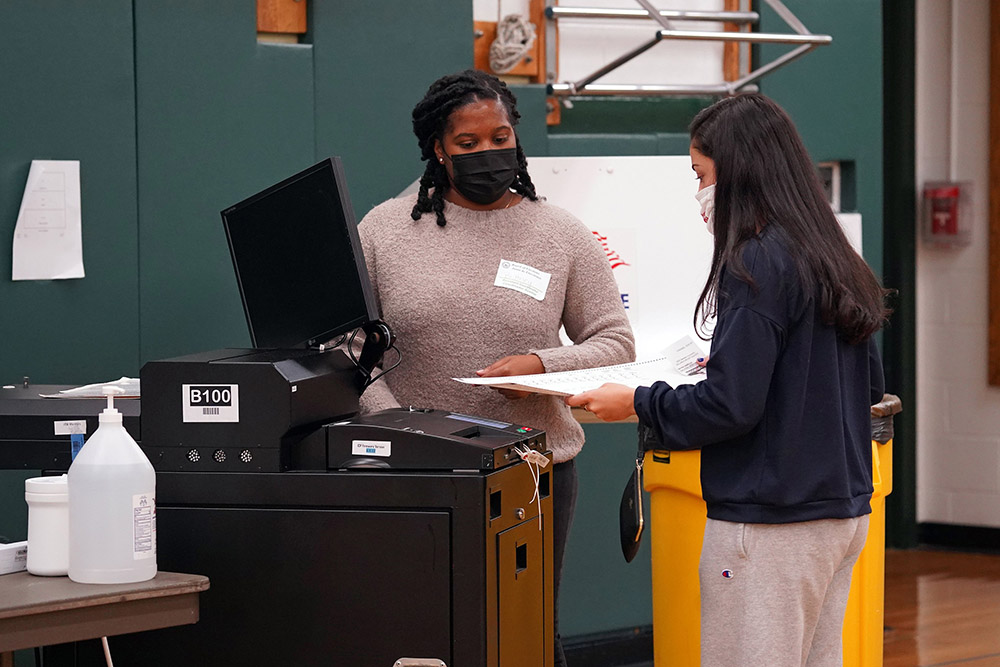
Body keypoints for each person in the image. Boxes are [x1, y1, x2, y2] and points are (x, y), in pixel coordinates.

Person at [565, 93, 891, 667]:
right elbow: (864, 390)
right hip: (843, 517)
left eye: (702, 175)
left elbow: (731, 407)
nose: (699, 194)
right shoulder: (836, 257)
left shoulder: (758, 264)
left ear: (738, 172)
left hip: (770, 527)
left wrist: (640, 402)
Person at [356, 68, 635, 666]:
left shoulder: (560, 232)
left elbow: (614, 342)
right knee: (419, 635)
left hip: (532, 473)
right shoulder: (383, 230)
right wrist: (396, 425)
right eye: (468, 144)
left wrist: (541, 364)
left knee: (525, 632)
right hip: (413, 471)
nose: (489, 152)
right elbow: (352, 348)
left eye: (500, 136)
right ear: (438, 149)